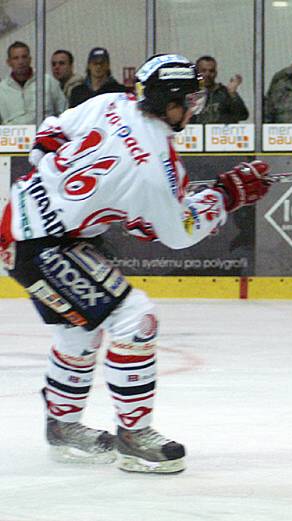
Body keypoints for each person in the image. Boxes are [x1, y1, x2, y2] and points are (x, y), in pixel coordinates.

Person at [0, 54, 271, 474]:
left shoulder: (113, 102)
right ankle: (133, 435)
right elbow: (179, 232)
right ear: (169, 103)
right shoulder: (155, 166)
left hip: (21, 222)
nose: (193, 109)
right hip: (45, 245)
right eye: (190, 101)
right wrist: (227, 196)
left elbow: (51, 132)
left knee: (80, 325)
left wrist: (81, 192)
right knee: (135, 319)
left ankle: (63, 427)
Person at [0, 41, 67, 124]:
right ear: (8, 62)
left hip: (44, 134)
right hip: (13, 136)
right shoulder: (2, 89)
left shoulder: (47, 81)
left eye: (24, 57)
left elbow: (64, 112)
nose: (21, 62)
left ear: (30, 59)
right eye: (16, 58)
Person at [190, 55, 249, 124]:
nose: (207, 74)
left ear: (216, 73)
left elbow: (242, 116)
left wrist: (233, 94)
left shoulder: (225, 93)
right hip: (196, 134)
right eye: (203, 71)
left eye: (211, 71)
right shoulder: (189, 94)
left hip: (222, 134)